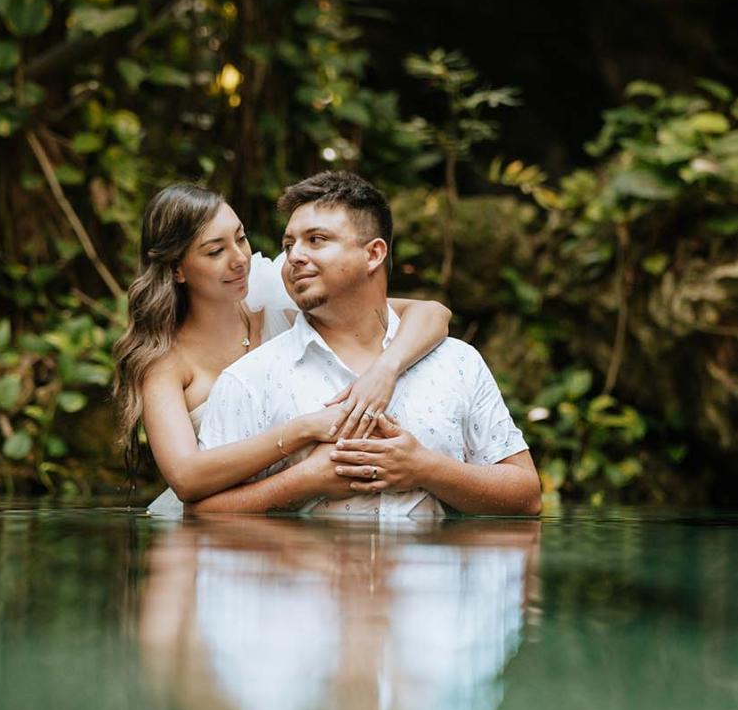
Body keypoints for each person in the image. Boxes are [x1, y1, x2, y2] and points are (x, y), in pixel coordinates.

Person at [189, 171, 542, 519]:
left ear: (373, 254)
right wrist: (302, 482)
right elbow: (200, 515)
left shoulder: (457, 362)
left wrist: (426, 469)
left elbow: (526, 497)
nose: (294, 256)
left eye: (316, 240)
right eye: (288, 245)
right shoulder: (248, 379)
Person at [112, 182, 451, 516]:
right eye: (216, 251)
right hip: (215, 524)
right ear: (177, 270)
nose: (239, 260)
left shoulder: (273, 293)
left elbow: (431, 313)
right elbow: (185, 478)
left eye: (240, 238)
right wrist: (303, 430)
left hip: (299, 517)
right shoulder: (163, 361)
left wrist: (384, 371)